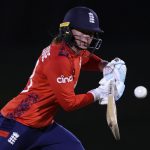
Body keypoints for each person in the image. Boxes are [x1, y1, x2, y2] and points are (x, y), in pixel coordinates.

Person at [0, 6, 127, 150]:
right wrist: (99, 93)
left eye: (91, 33)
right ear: (68, 29)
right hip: (17, 122)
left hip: (43, 126)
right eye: (83, 32)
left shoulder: (73, 49)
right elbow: (69, 104)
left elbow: (86, 59)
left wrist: (106, 66)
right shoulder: (58, 60)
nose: (88, 38)